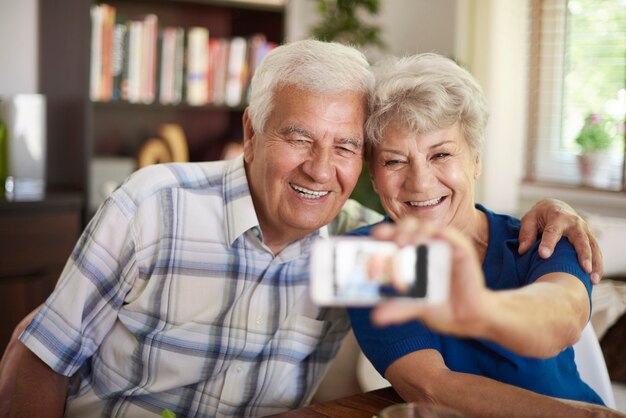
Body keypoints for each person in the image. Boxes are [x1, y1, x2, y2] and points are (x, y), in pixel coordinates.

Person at [5, 40, 603, 418]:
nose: (320, 167)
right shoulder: (155, 203)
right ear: (251, 134)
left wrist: (555, 209)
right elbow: (38, 351)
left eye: (344, 145)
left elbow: (542, 313)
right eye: (298, 137)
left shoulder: (361, 244)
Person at [347, 53, 625, 417]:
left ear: (476, 160)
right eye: (394, 160)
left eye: (441, 154)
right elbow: (431, 389)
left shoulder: (544, 235)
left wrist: (476, 307)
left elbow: (563, 320)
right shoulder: (370, 255)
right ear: (373, 174)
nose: (420, 182)